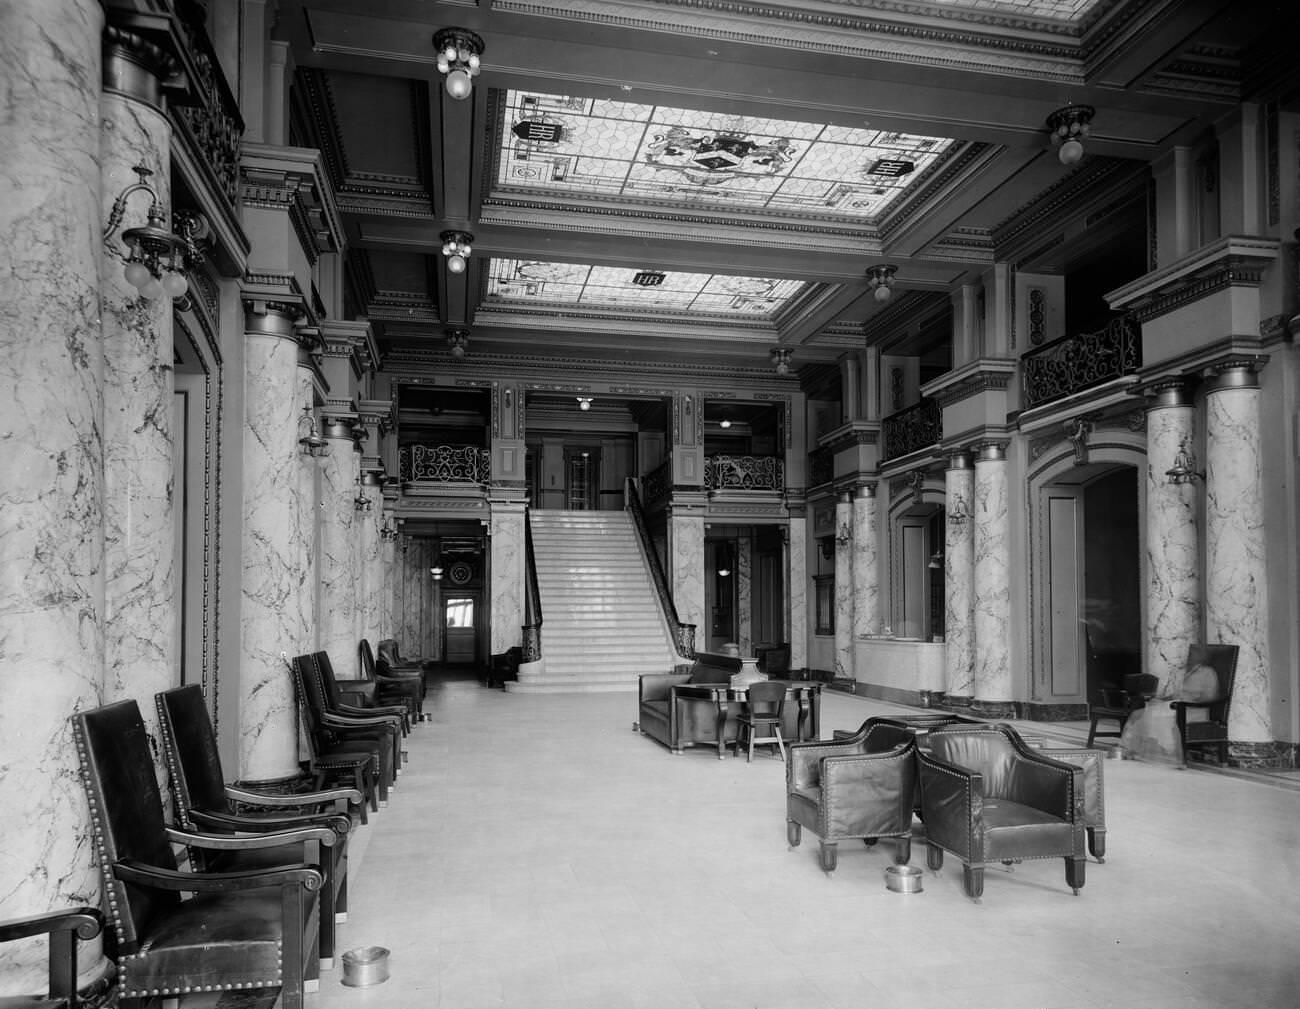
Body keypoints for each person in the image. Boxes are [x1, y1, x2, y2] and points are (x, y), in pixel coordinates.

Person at [1119, 661, 1221, 766]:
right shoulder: (1184, 671)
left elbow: (1209, 697)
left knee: (1157, 716)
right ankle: (1132, 749)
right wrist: (1161, 700)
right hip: (1177, 704)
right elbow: (1175, 695)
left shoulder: (1208, 672)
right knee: (1139, 713)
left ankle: (1168, 752)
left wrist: (1190, 699)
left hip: (1194, 709)